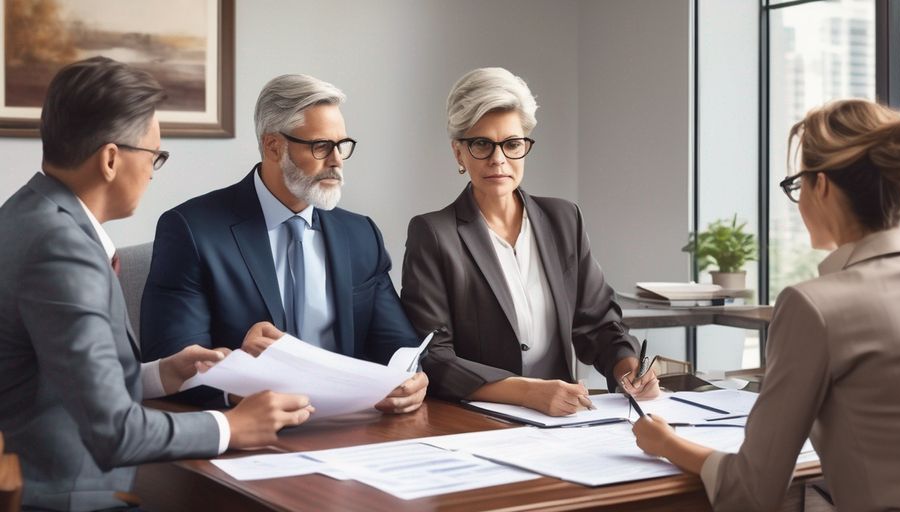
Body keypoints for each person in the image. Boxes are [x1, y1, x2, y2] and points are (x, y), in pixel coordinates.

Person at [632, 99, 900, 511]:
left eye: (797, 186)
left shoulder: (815, 306)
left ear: (821, 186)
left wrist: (667, 443)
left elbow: (751, 492)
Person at [0, 57, 313, 512]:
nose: (151, 172)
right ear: (111, 159)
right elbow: (114, 431)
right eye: (154, 157)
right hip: (62, 493)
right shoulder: (62, 248)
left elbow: (54, 374)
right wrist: (232, 426)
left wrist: (164, 373)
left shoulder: (27, 214)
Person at [141, 74, 427, 414]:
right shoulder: (192, 230)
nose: (336, 160)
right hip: (246, 428)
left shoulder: (360, 234)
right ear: (274, 146)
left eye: (342, 145)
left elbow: (396, 345)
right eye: (321, 146)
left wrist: (411, 378)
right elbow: (174, 360)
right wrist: (239, 389)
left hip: (350, 428)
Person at [401, 67, 658, 416]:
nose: (498, 159)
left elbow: (598, 325)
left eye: (511, 143)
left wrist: (629, 369)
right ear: (459, 153)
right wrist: (526, 392)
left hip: (564, 420)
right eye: (481, 144)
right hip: (474, 422)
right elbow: (434, 356)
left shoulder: (564, 219)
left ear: (525, 146)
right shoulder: (433, 234)